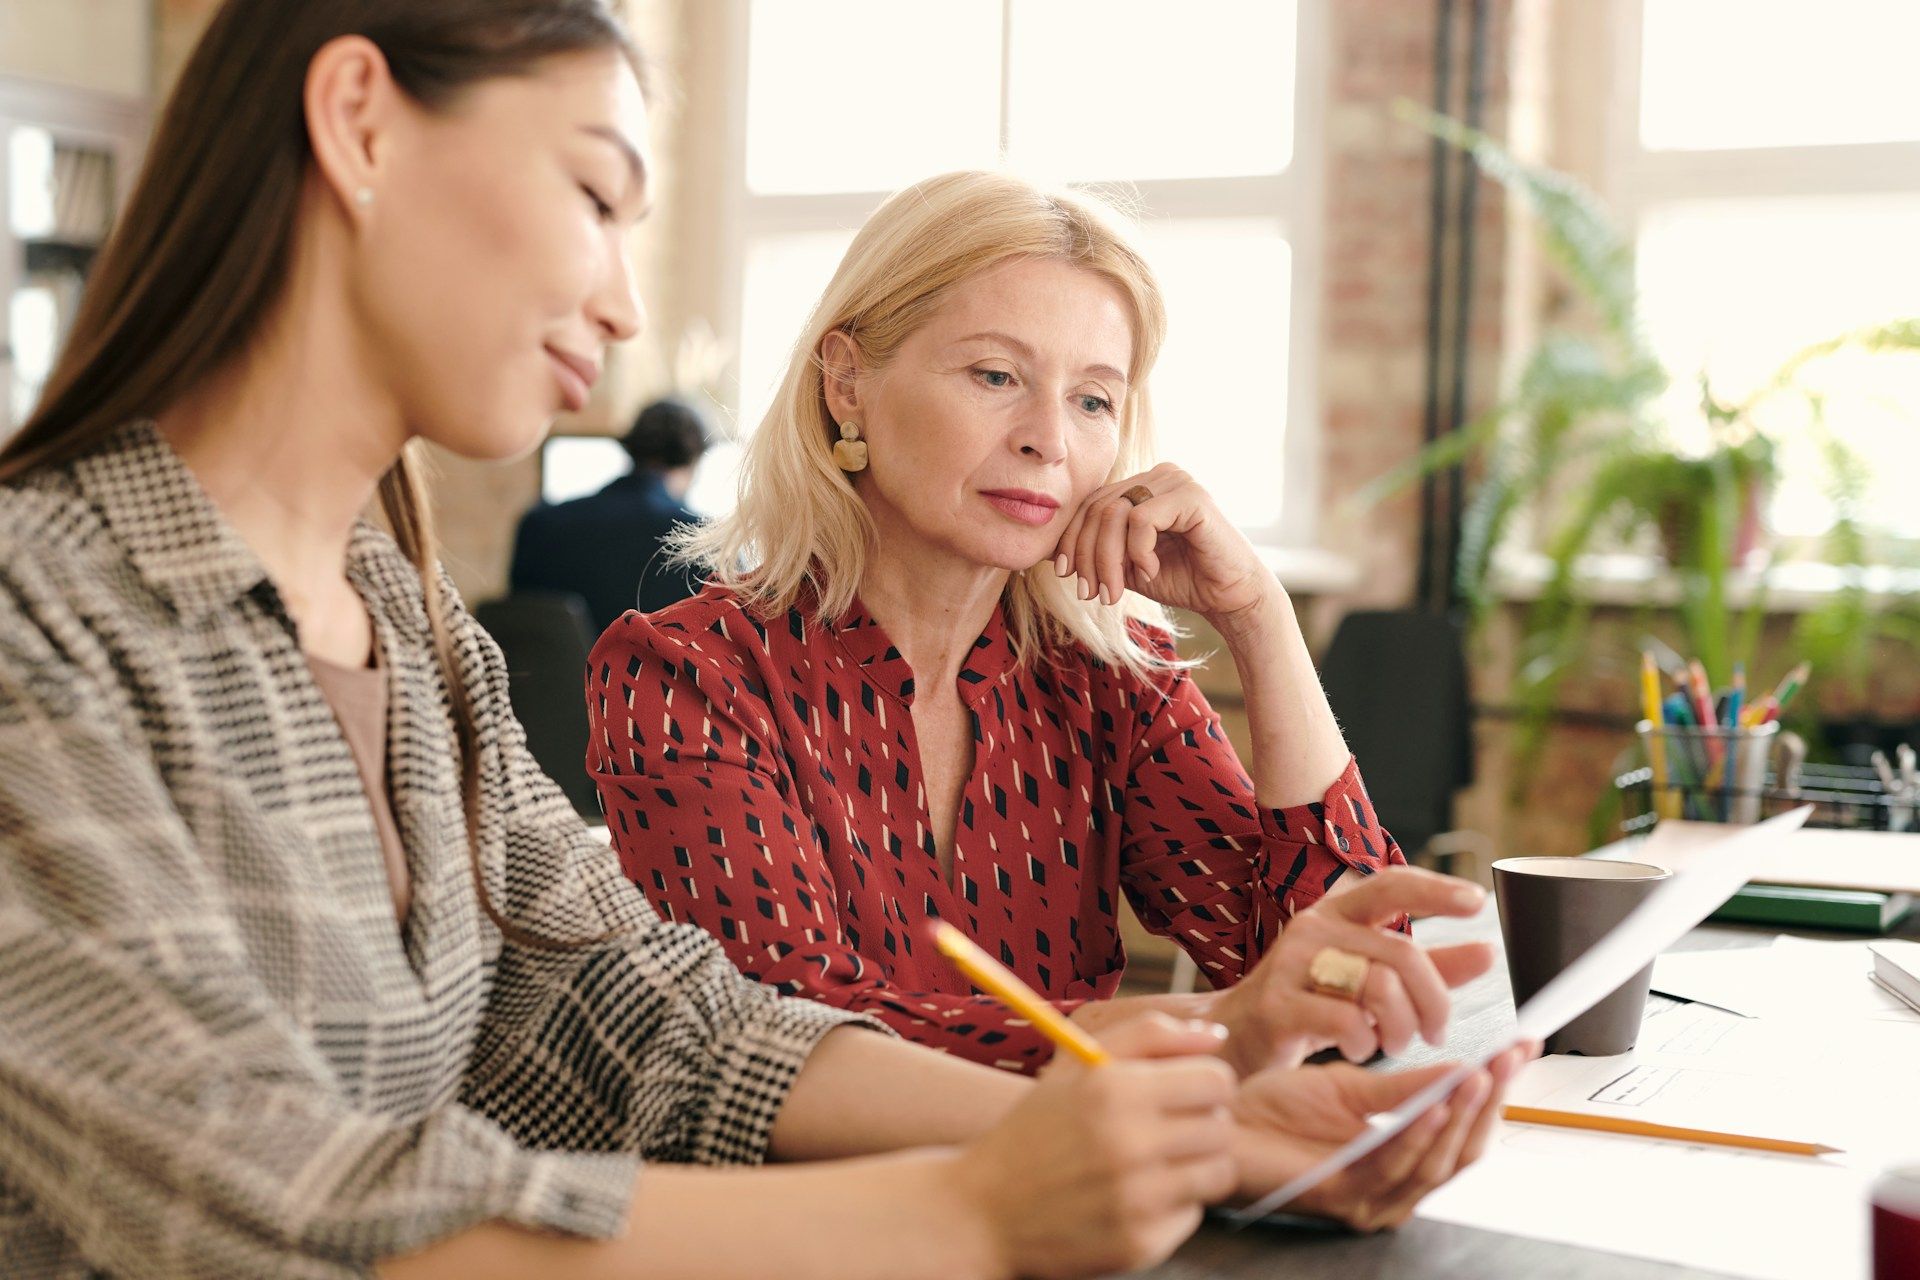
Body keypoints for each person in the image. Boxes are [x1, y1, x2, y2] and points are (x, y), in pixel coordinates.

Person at [0, 3, 1525, 1277]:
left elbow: (644, 1012)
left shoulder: (411, 630)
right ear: (360, 122)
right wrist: (976, 1205)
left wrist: (1200, 1125)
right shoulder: (36, 618)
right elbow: (274, 1201)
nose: (614, 300)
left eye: (1095, 395)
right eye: (596, 199)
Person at [588, 170, 1498, 1081]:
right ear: (848, 383)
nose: (1049, 440)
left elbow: (1351, 989)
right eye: (996, 375)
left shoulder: (1111, 682)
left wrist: (1261, 618)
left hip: (1092, 1200)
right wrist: (1218, 1025)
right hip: (826, 1213)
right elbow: (786, 1042)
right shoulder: (688, 675)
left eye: (1093, 399)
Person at [510, 394, 711, 629]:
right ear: (694, 461)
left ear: (632, 448)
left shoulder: (540, 524)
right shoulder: (704, 541)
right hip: (649, 667)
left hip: (549, 667)